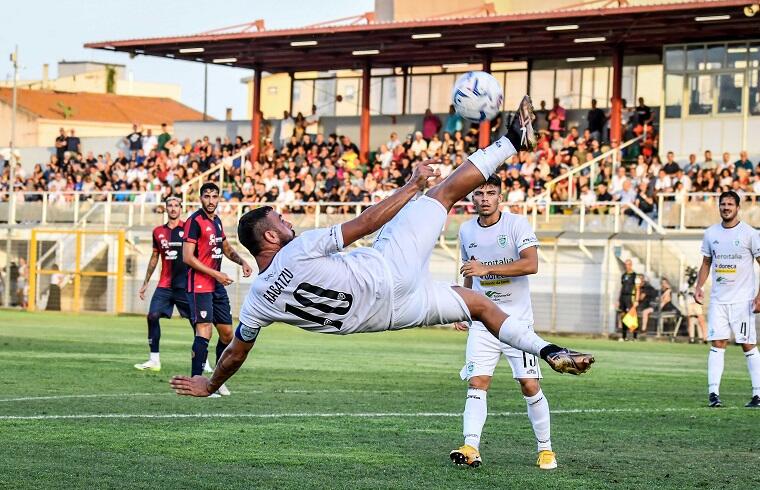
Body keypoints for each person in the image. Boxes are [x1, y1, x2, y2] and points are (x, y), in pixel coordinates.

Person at [170, 96, 594, 402]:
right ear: (269, 237)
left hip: (392, 315)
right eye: (282, 220)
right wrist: (412, 186)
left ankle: (549, 351)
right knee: (442, 194)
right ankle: (512, 141)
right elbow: (368, 222)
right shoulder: (298, 251)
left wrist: (209, 384)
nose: (289, 222)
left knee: (480, 306)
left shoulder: (260, 299)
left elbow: (236, 351)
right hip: (390, 269)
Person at [450, 175, 557, 470]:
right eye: (479, 193)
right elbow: (470, 270)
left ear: (500, 197)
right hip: (483, 322)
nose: (484, 198)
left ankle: (546, 449)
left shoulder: (515, 225)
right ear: (472, 198)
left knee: (529, 383)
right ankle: (471, 445)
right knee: (477, 381)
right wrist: (465, 307)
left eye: (490, 193)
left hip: (516, 323)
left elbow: (531, 264)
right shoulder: (466, 230)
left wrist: (486, 269)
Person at [182, 182, 253, 397]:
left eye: (214, 196)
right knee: (204, 329)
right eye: (207, 196)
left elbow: (226, 248)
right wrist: (217, 274)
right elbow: (187, 257)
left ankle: (216, 380)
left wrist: (242, 262)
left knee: (228, 334)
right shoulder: (194, 221)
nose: (211, 201)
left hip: (216, 285)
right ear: (200, 198)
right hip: (200, 284)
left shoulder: (217, 222)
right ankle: (196, 382)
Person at [694, 191, 760, 408]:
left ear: (738, 207)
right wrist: (699, 286)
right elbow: (706, 263)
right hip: (718, 301)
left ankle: (758, 395)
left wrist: (759, 296)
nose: (726, 207)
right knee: (717, 343)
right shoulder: (711, 233)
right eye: (723, 204)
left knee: (748, 344)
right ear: (719, 207)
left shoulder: (750, 234)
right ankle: (713, 394)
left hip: (743, 301)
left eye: (730, 204)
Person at [134, 197, 194, 372]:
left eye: (176, 205)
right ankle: (154, 359)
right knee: (152, 316)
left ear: (181, 208)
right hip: (165, 285)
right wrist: (145, 283)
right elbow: (154, 257)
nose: (173, 208)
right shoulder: (158, 232)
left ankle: (203, 360)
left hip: (185, 285)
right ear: (166, 209)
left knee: (197, 322)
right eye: (170, 206)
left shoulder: (189, 229)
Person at [618, 259, 638, 341]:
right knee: (623, 316)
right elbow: (622, 287)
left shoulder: (635, 275)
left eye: (628, 264)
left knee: (631, 317)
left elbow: (638, 288)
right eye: (625, 264)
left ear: (631, 265)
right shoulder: (623, 275)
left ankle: (634, 337)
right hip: (623, 298)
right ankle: (624, 336)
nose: (627, 266)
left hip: (630, 298)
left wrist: (636, 300)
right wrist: (618, 299)